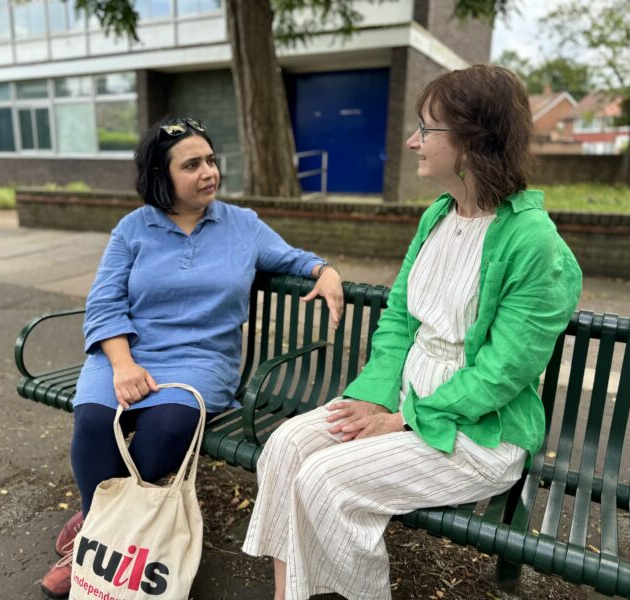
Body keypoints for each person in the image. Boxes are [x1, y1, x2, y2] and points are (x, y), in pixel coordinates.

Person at [242, 65, 583, 600]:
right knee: (286, 447)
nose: (411, 141)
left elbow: (502, 374)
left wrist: (405, 420)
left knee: (326, 479)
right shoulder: (437, 217)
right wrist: (376, 400)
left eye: (426, 129)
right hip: (402, 404)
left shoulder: (534, 245)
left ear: (472, 141)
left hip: (478, 432)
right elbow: (399, 319)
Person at [40, 116, 344, 598]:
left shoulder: (242, 225)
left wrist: (323, 269)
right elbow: (104, 302)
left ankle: (96, 528)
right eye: (191, 165)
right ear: (161, 177)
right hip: (128, 350)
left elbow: (290, 257)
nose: (208, 173)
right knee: (96, 422)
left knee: (166, 429)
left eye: (210, 161)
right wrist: (122, 364)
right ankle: (102, 529)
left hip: (201, 359)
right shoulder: (132, 229)